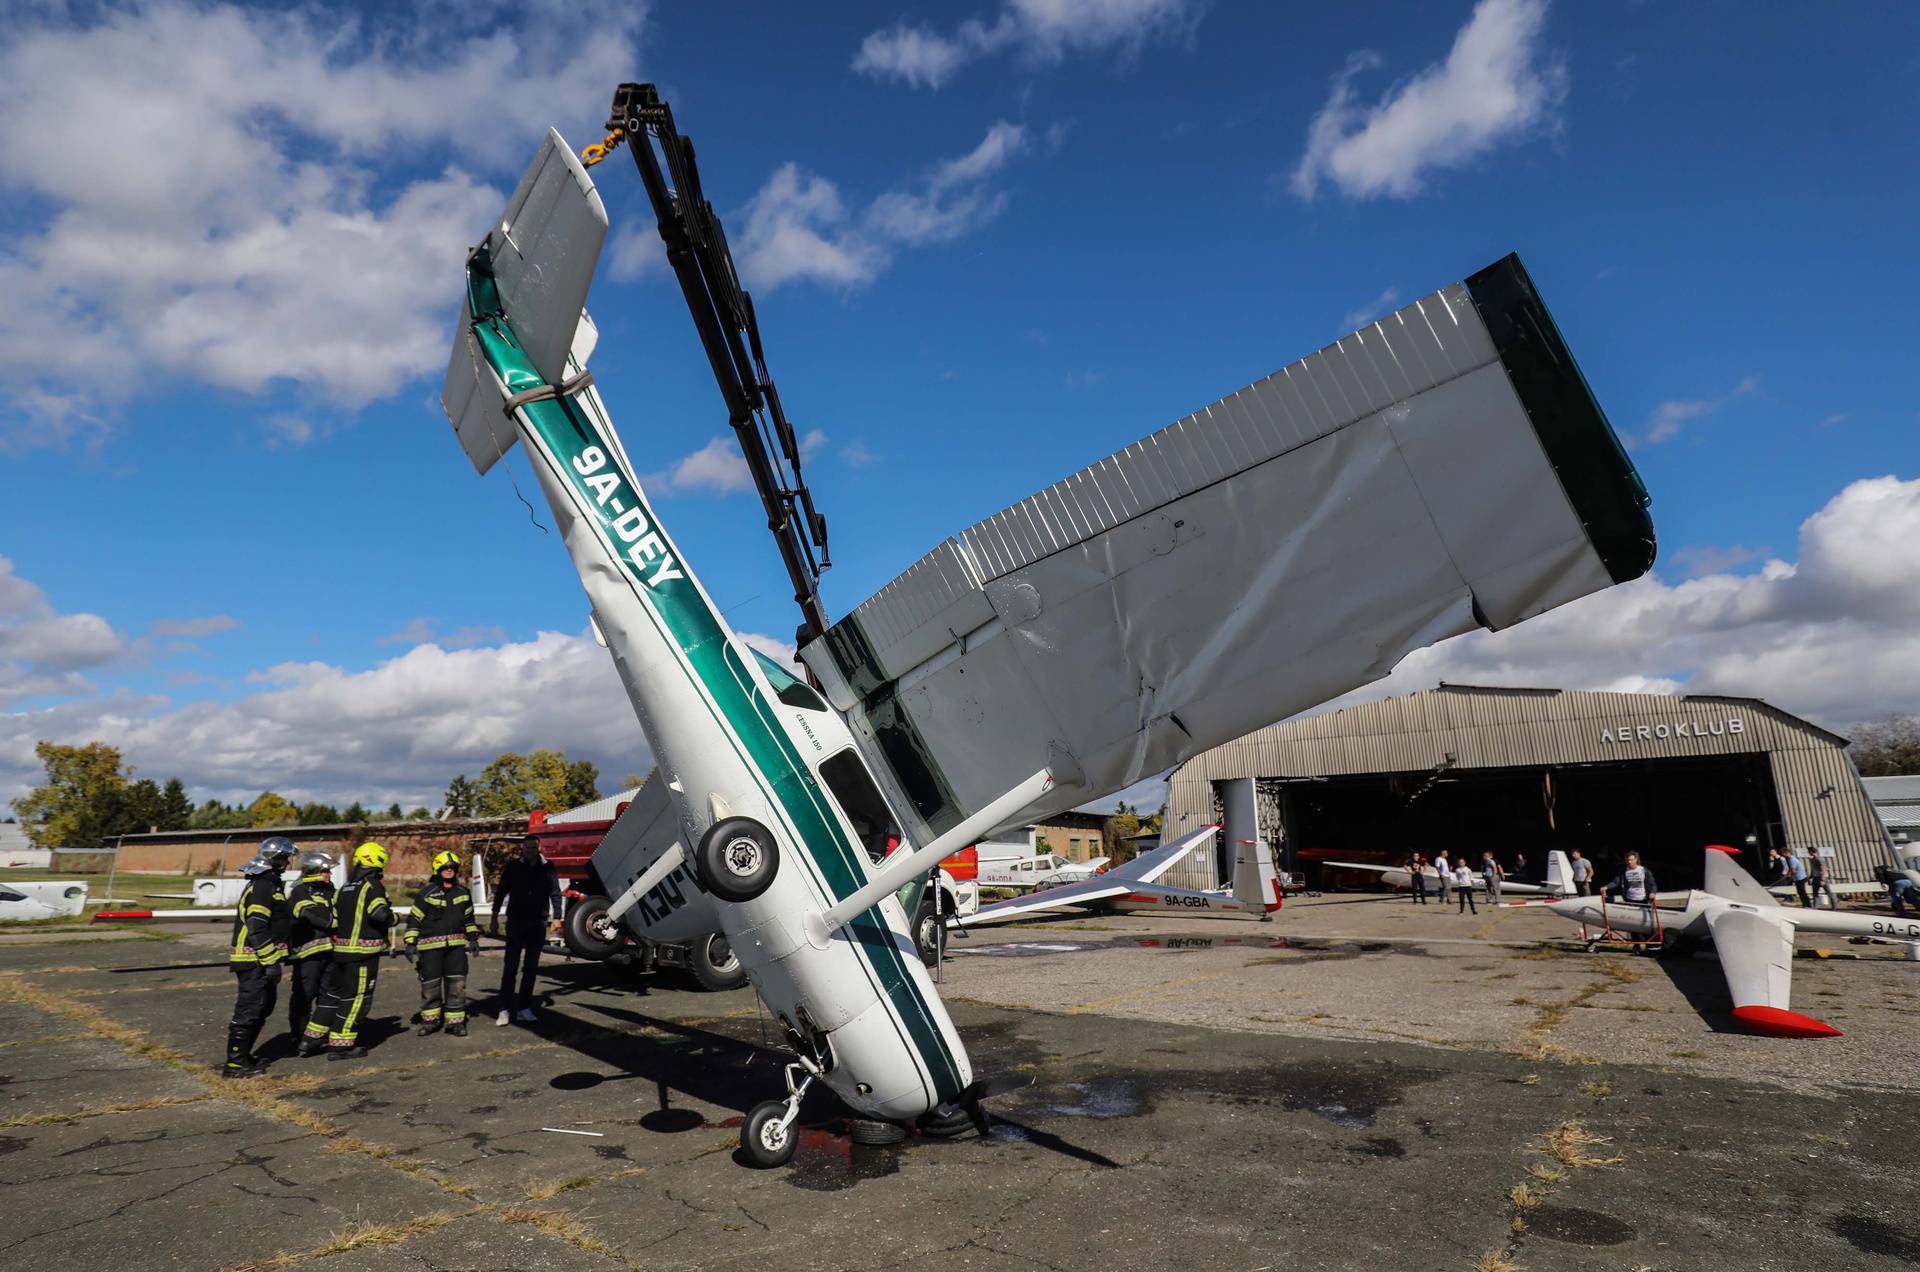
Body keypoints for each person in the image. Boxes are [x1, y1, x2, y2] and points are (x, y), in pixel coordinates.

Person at [300, 842, 394, 1059]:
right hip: (362, 955)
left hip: (339, 953)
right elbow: (380, 914)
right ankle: (341, 1045)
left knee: (331, 996)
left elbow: (335, 917)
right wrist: (394, 918)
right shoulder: (372, 886)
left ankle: (310, 1040)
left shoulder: (345, 887)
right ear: (376, 861)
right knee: (357, 998)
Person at [224, 837, 293, 1079]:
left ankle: (244, 1055)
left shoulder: (269, 883)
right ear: (277, 860)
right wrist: (270, 960)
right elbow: (257, 926)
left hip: (260, 960)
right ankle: (234, 1064)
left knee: (263, 1007)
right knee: (250, 1009)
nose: (288, 863)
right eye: (286, 858)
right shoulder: (264, 885)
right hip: (254, 960)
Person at [405, 850, 481, 1037]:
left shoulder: (463, 892)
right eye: (445, 868)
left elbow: (469, 918)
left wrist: (473, 938)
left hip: (455, 947)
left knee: (457, 984)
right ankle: (430, 1021)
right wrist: (410, 943)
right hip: (430, 948)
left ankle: (455, 1023)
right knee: (430, 985)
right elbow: (414, 919)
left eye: (452, 868)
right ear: (437, 869)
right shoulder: (426, 893)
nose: (449, 870)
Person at [492, 835, 562, 1025]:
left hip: (538, 923)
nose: (530, 850)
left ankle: (524, 1008)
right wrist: (494, 915)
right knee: (510, 967)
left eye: (533, 847)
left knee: (531, 968)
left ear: (539, 848)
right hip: (516, 922)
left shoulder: (548, 867)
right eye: (527, 847)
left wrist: (557, 917)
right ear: (522, 848)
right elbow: (501, 891)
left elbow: (555, 892)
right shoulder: (513, 867)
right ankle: (504, 1009)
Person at [286, 851, 337, 1039]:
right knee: (304, 995)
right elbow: (310, 915)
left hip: (330, 953)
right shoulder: (300, 891)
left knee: (327, 994)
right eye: (326, 871)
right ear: (315, 871)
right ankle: (298, 1035)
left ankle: (317, 1034)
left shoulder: (331, 890)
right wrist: (334, 922)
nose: (330, 875)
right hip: (307, 955)